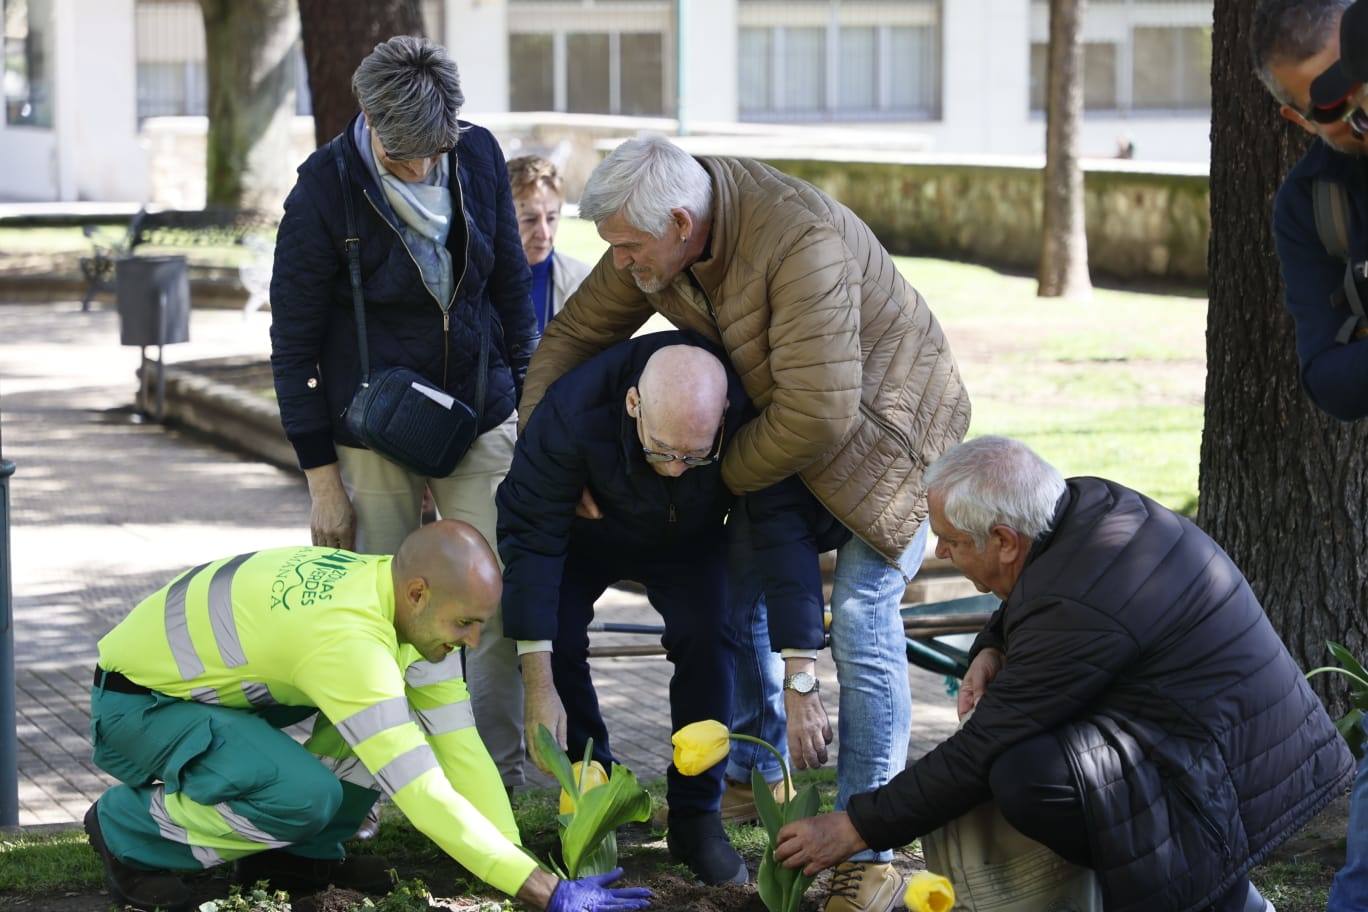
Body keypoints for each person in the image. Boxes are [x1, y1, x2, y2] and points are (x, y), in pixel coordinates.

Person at [517, 134, 971, 912]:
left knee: (860, 617)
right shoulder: (659, 240)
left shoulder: (798, 242)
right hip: (787, 429)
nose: (620, 263)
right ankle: (755, 782)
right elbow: (574, 335)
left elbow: (820, 415)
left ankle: (869, 840)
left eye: (628, 248)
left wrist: (697, 471)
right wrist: (549, 458)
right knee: (739, 607)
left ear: (683, 224)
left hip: (886, 434)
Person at [772, 436, 1355, 912]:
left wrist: (855, 826)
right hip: (1205, 722)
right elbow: (1038, 593)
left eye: (949, 541)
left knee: (1028, 777)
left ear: (1003, 540)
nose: (942, 554)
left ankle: (1225, 901)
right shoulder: (1083, 505)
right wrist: (992, 645)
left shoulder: (1078, 611)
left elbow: (980, 747)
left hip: (1235, 762)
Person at [82, 520, 652, 912]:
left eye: (481, 624)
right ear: (419, 593)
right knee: (305, 795)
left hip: (211, 698)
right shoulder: (349, 642)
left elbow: (460, 749)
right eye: (464, 625)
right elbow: (423, 792)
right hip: (138, 707)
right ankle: (128, 830)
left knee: (380, 729)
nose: (474, 642)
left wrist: (516, 867)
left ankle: (298, 861)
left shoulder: (401, 601)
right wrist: (546, 893)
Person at [268, 36, 532, 791]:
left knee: (492, 602)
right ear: (370, 122)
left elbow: (512, 288)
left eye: (434, 153)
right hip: (372, 429)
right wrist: (322, 479)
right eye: (406, 155)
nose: (423, 169)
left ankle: (497, 782)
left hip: (480, 413)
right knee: (375, 616)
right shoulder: (324, 188)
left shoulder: (474, 156)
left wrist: (525, 402)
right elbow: (291, 347)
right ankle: (376, 790)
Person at [1253, 4, 1368, 908]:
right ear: (1296, 118)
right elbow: (1329, 378)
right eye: (1332, 107)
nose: (1356, 113)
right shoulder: (1315, 203)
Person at [507, 155, 592, 332]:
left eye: (552, 218)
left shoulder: (585, 281)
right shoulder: (474, 282)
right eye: (530, 219)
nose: (545, 234)